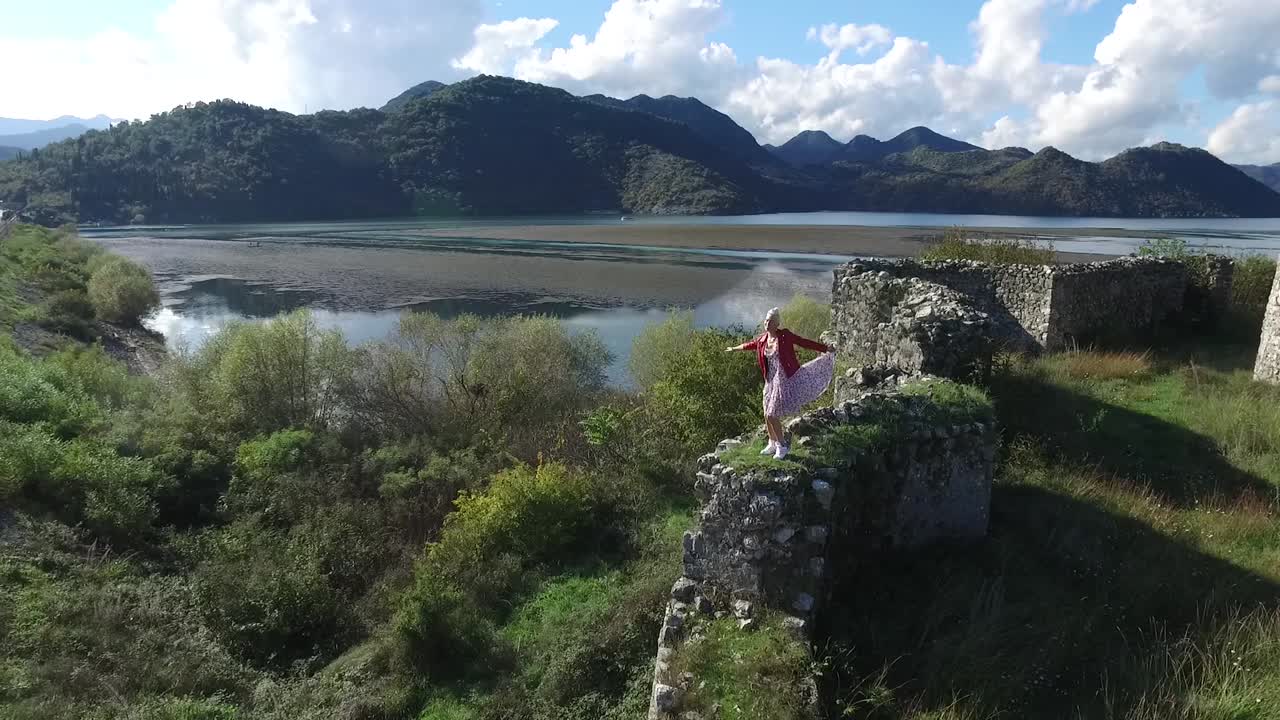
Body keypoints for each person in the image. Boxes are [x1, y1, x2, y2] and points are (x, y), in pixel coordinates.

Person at [725, 307, 835, 459]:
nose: (767, 323)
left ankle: (782, 446)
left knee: (772, 413)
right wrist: (734, 348)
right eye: (766, 320)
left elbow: (803, 342)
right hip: (770, 379)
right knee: (766, 412)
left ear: (777, 324)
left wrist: (824, 348)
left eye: (770, 321)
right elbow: (750, 345)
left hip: (783, 378)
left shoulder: (785, 336)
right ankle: (772, 442)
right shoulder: (763, 339)